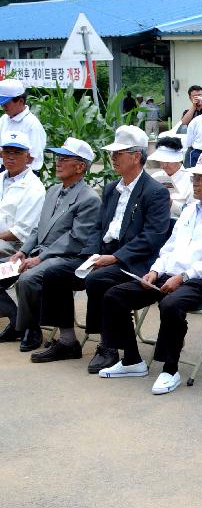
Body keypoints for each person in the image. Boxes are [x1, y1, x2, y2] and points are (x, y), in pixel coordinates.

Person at [97, 153, 202, 395]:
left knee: (171, 303)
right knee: (115, 295)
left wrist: (184, 276)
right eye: (193, 179)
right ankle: (132, 361)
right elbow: (170, 247)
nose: (194, 184)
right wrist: (155, 270)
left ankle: (170, 369)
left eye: (200, 179)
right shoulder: (190, 211)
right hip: (172, 273)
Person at [38, 126, 170, 371]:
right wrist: (90, 254)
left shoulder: (155, 192)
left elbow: (153, 237)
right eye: (112, 153)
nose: (113, 158)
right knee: (55, 273)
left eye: (119, 153)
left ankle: (108, 346)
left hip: (133, 260)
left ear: (136, 156)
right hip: (103, 255)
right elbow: (97, 228)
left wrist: (115, 257)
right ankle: (68, 340)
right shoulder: (111, 189)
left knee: (98, 279)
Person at [0, 137, 96, 352]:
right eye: (57, 157)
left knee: (27, 278)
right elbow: (37, 228)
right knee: (3, 270)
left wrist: (39, 258)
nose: (57, 162)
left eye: (64, 158)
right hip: (39, 253)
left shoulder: (89, 198)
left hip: (66, 258)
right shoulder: (53, 190)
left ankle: (31, 329)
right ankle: (18, 321)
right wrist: (23, 252)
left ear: (80, 166)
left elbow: (75, 239)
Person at [0, 131, 45, 258]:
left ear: (28, 157)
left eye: (17, 153)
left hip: (16, 245)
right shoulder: (1, 177)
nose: (11, 157)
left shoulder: (35, 188)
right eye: (7, 152)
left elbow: (20, 232)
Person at [0, 79, 47, 172]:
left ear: (20, 101)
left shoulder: (33, 124)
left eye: (6, 103)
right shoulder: (3, 119)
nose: (3, 106)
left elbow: (32, 157)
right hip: (5, 171)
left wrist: (6, 155)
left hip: (26, 174)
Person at [149, 137, 193, 218]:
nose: (164, 165)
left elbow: (193, 213)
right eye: (161, 161)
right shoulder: (155, 177)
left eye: (168, 162)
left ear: (178, 160)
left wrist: (171, 203)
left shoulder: (191, 180)